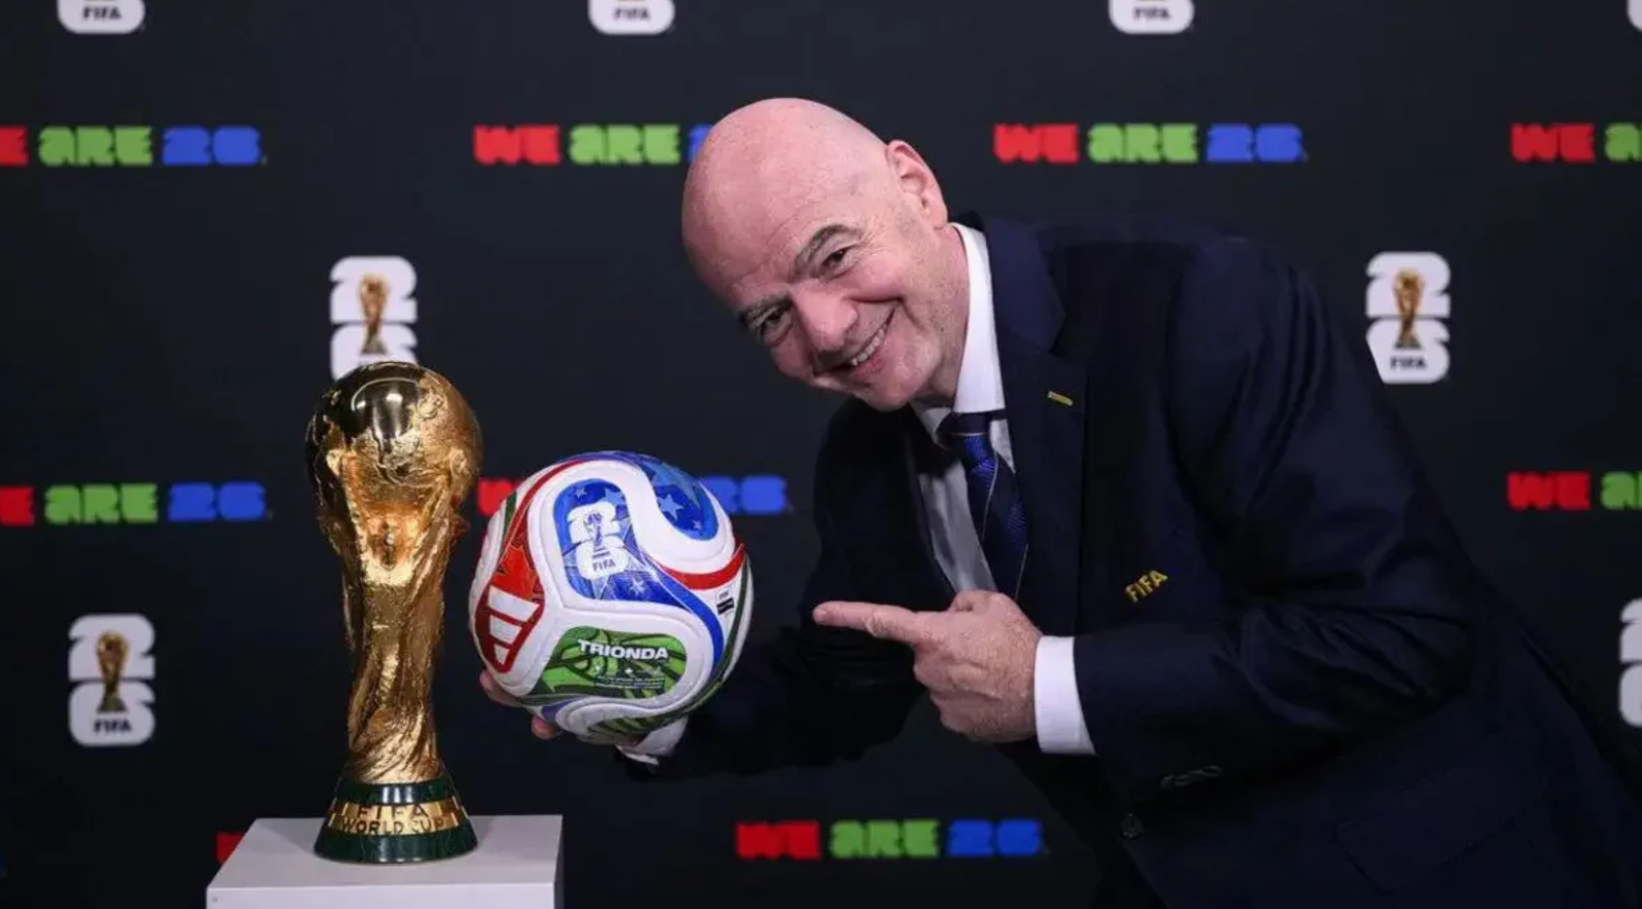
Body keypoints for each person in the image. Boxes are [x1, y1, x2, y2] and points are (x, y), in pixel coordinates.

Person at [481, 97, 1642, 908]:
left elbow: (1401, 631)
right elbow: (846, 682)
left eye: (831, 257)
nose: (823, 331)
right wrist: (631, 697)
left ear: (915, 186)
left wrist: (1046, 686)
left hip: (1455, 869)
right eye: (768, 317)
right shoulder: (865, 458)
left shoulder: (1201, 306)